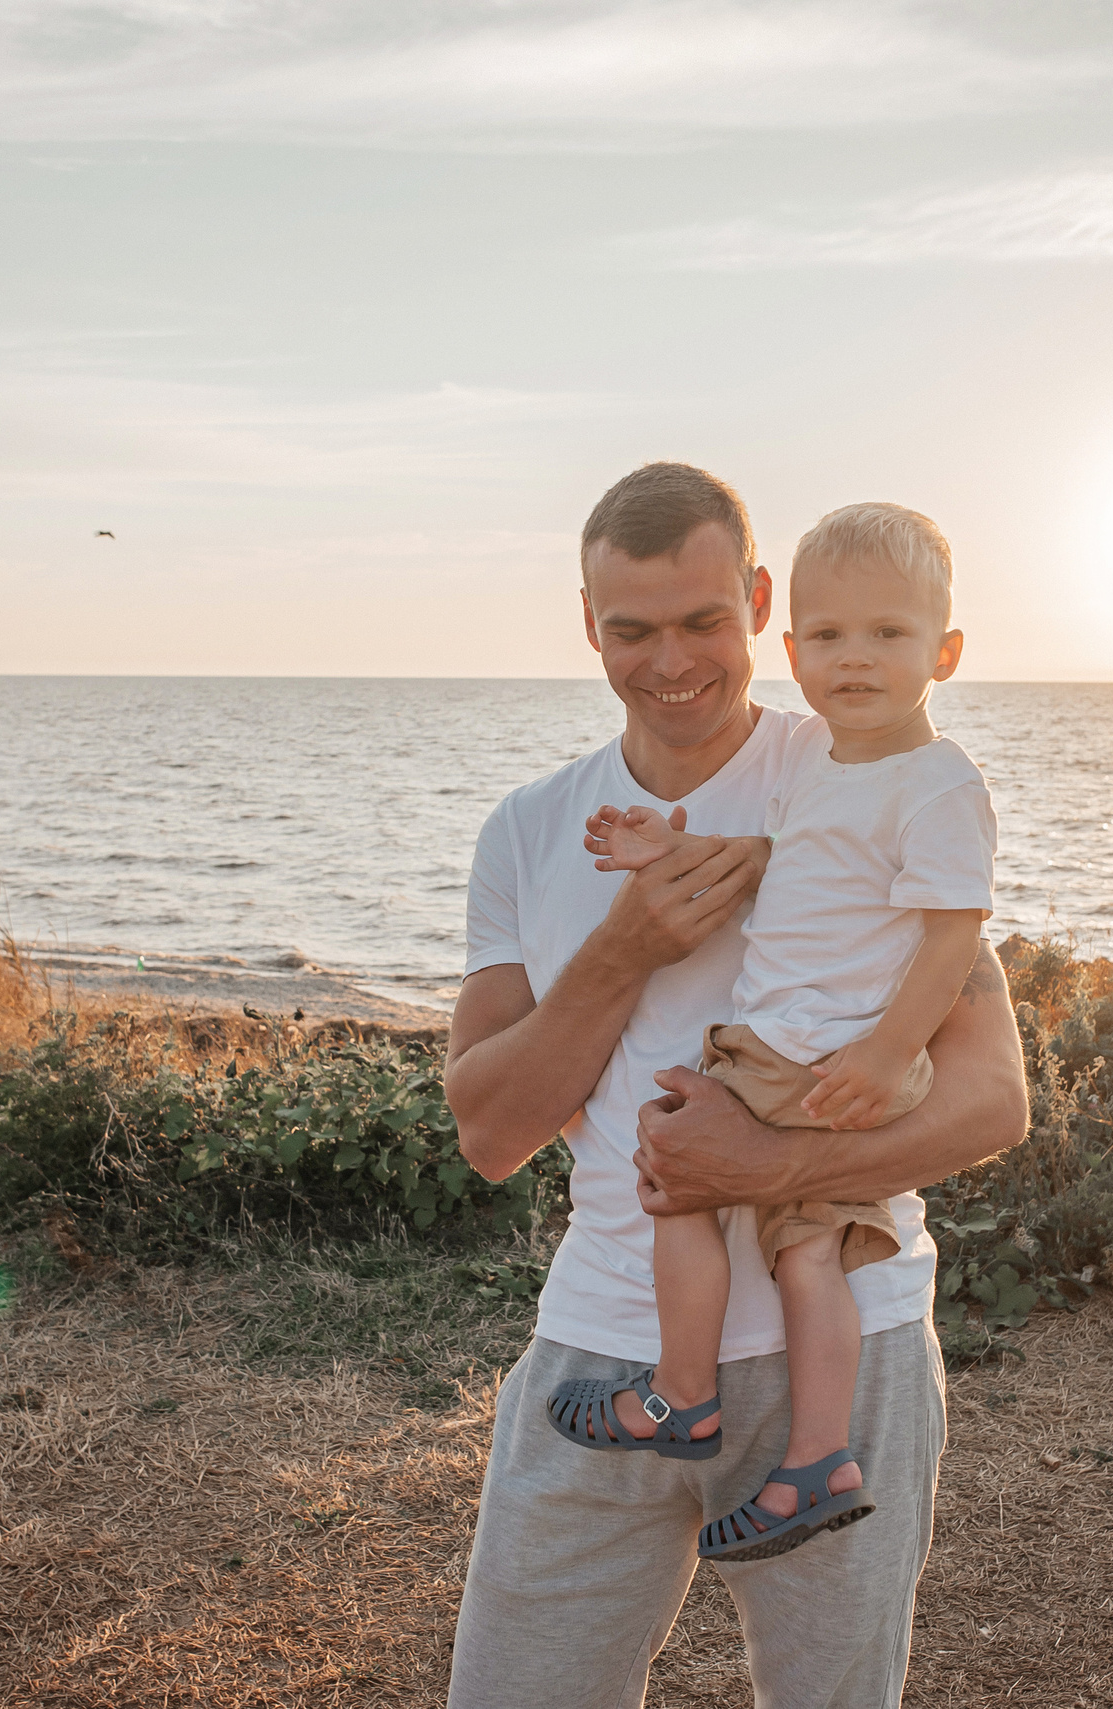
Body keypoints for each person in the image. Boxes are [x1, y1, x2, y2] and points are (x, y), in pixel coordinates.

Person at [444, 463, 1028, 1709]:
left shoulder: (864, 765)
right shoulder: (531, 829)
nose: (671, 659)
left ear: (759, 601)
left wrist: (770, 1170)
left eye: (703, 619)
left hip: (842, 1347)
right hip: (600, 1339)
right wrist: (623, 949)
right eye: (631, 628)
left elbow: (992, 1102)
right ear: (587, 623)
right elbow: (489, 1128)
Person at [556, 501, 992, 1567]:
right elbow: (779, 857)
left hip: (820, 1052)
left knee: (670, 1161)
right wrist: (669, 845)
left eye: (888, 635)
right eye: (833, 637)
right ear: (792, 649)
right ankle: (815, 1458)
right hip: (800, 1045)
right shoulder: (826, 767)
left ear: (945, 650)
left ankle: (681, 1394)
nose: (856, 659)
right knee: (806, 1252)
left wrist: (890, 1050)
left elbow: (951, 938)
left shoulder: (939, 782)